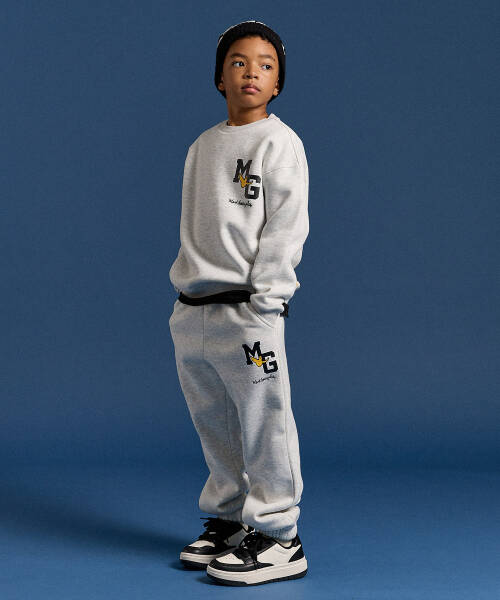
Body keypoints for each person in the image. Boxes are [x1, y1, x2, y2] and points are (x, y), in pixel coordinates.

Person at [168, 20, 310, 586]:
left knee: (263, 420)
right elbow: (195, 225)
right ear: (220, 77)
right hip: (194, 309)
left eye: (266, 65)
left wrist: (267, 301)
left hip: (249, 313)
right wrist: (185, 295)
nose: (252, 72)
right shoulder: (203, 146)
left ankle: (279, 535)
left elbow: (285, 226)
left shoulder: (280, 143)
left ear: (277, 84)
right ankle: (228, 519)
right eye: (239, 62)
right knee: (215, 421)